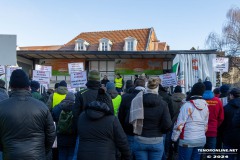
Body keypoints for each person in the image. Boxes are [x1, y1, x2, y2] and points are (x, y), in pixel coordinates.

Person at [0, 69, 55, 159]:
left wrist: (6, 148)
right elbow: (51, 134)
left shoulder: (1, 107)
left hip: (11, 155)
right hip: (37, 155)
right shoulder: (42, 106)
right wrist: (42, 150)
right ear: (28, 86)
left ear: (10, 86)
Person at [77, 88, 131, 160]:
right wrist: (127, 156)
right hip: (106, 156)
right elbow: (122, 141)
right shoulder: (112, 119)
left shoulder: (82, 116)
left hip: (84, 155)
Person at [131, 77, 172, 160]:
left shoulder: (137, 101)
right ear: (157, 88)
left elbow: (129, 120)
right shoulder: (163, 103)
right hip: (156, 139)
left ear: (146, 87)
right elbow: (167, 124)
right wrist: (161, 132)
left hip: (140, 138)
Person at [172, 82, 209, 160]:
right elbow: (205, 125)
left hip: (187, 139)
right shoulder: (206, 106)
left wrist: (174, 138)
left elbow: (179, 124)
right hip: (201, 139)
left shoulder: (187, 105)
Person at [72, 70, 102, 159]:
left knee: (77, 155)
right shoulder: (105, 94)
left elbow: (75, 114)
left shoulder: (81, 93)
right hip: (101, 130)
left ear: (89, 79)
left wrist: (77, 129)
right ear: (99, 80)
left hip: (83, 130)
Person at [118, 78, 146, 159]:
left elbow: (121, 115)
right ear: (144, 85)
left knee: (128, 155)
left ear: (134, 85)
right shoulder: (148, 96)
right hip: (144, 131)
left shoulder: (125, 97)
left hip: (128, 130)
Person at [52, 92, 77, 160]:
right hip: (72, 137)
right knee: (71, 154)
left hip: (60, 136)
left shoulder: (57, 108)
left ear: (65, 98)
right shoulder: (76, 108)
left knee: (61, 154)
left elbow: (52, 121)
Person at [202, 81, 224, 152]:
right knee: (211, 152)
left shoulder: (198, 101)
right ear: (211, 88)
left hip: (199, 130)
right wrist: (215, 125)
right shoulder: (217, 101)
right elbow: (221, 118)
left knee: (198, 153)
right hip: (213, 130)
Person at [220, 88, 240, 159]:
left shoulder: (226, 108)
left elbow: (222, 124)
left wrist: (222, 136)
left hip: (228, 138)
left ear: (231, 95)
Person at [170, 85, 186, 159]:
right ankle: (177, 150)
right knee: (180, 134)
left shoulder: (170, 98)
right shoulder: (185, 99)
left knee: (171, 135)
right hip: (181, 120)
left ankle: (171, 151)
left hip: (172, 120)